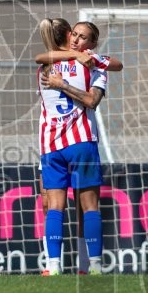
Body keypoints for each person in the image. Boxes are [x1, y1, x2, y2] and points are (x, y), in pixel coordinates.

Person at [36, 21, 121, 274]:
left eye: (83, 37)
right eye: (74, 34)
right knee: (82, 206)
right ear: (67, 35)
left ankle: (69, 266)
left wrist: (63, 83)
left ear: (92, 44)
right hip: (74, 143)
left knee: (60, 206)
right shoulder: (90, 66)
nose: (77, 40)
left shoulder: (48, 65)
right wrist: (82, 57)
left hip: (57, 144)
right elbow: (94, 97)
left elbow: (113, 68)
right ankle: (77, 265)